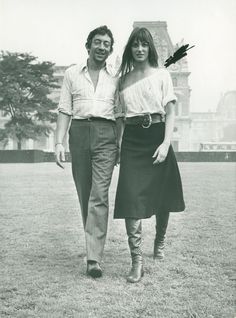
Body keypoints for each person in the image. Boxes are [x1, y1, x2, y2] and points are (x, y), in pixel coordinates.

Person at [114, 27, 185, 283]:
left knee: (162, 192)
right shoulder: (122, 80)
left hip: (157, 134)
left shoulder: (162, 75)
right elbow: (120, 119)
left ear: (150, 48)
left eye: (144, 45)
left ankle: (160, 241)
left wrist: (166, 143)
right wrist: (120, 146)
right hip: (133, 140)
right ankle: (137, 261)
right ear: (130, 49)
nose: (140, 49)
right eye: (135, 45)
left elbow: (171, 111)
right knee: (130, 196)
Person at [55, 25, 122, 278]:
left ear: (110, 49)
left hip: (107, 135)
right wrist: (59, 143)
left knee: (99, 194)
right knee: (85, 194)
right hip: (79, 134)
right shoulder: (72, 74)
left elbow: (120, 114)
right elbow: (64, 110)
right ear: (88, 45)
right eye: (98, 42)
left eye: (107, 43)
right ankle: (92, 240)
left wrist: (120, 144)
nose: (102, 47)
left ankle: (93, 258)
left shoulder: (116, 76)